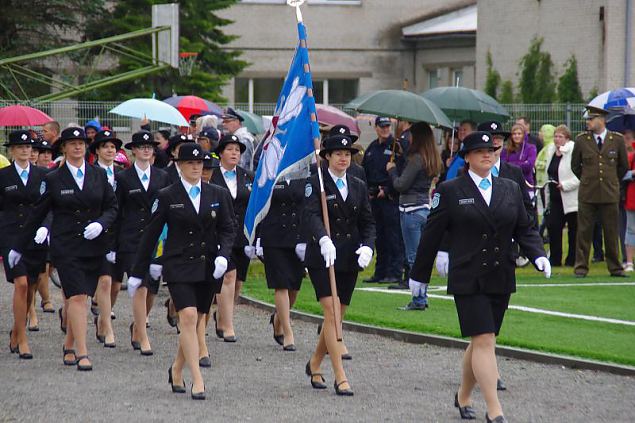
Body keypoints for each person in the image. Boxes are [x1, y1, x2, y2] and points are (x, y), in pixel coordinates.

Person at [409, 131, 550, 423]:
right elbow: (431, 235)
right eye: (480, 150)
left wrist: (538, 254)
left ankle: (462, 394)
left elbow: (524, 227)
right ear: (468, 157)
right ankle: (494, 408)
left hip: (500, 274)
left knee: (481, 341)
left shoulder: (509, 188)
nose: (488, 154)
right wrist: (419, 275)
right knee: (484, 339)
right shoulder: (450, 190)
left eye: (492, 149)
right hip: (468, 276)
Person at [127, 142, 236, 400]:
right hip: (178, 263)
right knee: (187, 317)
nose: (197, 167)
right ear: (179, 165)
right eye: (191, 163)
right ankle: (197, 379)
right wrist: (137, 271)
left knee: (197, 319)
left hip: (208, 265)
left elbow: (228, 229)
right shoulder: (167, 195)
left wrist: (223, 255)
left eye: (200, 163)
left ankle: (177, 368)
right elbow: (150, 234)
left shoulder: (217, 194)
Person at [10, 127, 118, 371]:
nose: (77, 147)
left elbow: (112, 207)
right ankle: (82, 351)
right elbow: (38, 212)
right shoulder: (53, 179)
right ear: (64, 148)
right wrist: (18, 245)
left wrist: (101, 225)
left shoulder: (98, 175)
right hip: (67, 246)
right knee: (77, 296)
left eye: (81, 142)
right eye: (72, 143)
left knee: (83, 296)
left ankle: (69, 344)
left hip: (94, 245)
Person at [303, 133, 375, 396]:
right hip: (323, 256)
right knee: (332, 313)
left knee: (337, 315)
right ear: (327, 157)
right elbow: (310, 215)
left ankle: (314, 363)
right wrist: (323, 239)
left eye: (347, 154)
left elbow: (368, 221)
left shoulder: (357, 184)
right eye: (338, 154)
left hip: (348, 257)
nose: (344, 158)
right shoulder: (316, 184)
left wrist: (368, 245)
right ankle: (340, 375)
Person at [112, 130, 169, 355]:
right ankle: (143, 336)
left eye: (149, 147)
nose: (146, 150)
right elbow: (116, 212)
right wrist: (112, 246)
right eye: (141, 146)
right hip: (131, 239)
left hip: (156, 240)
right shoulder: (123, 178)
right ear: (133, 150)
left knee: (151, 288)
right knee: (140, 285)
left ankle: (137, 326)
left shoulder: (162, 177)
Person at [0, 130, 50, 359]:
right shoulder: (3, 176)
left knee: (30, 287)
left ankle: (16, 330)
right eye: (19, 147)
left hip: (35, 238)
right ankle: (22, 338)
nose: (24, 150)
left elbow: (51, 205)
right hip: (11, 237)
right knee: (20, 283)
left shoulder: (42, 175)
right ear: (11, 150)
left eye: (28, 147)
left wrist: (46, 227)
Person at [386, 122, 442, 301]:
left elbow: (401, 185)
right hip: (425, 207)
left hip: (411, 210)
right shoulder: (431, 157)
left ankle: (419, 299)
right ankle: (420, 297)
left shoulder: (417, 158)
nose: (408, 138)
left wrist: (392, 171)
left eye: (410, 135)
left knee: (413, 258)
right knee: (420, 256)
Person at [571, 106, 629, 277]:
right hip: (588, 193)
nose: (588, 122)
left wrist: (612, 181)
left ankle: (615, 267)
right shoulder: (582, 140)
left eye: (591, 119)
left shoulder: (616, 140)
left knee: (611, 232)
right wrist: (589, 180)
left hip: (609, 193)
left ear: (602, 120)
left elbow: (623, 166)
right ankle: (581, 268)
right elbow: (575, 166)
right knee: (584, 232)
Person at [256, 167, 308, 351]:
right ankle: (288, 332)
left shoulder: (307, 173)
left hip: (298, 237)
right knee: (281, 284)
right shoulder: (270, 174)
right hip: (274, 236)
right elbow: (260, 206)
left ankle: (278, 318)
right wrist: (257, 238)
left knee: (294, 286)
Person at [210, 134, 253, 342]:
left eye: (237, 150)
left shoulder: (247, 176)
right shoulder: (211, 175)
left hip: (242, 237)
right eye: (230, 149)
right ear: (220, 153)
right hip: (220, 234)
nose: (235, 153)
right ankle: (228, 325)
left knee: (237, 283)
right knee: (228, 276)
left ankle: (222, 314)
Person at [89, 130, 123, 347]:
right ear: (97, 151)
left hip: (119, 233)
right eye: (105, 146)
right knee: (104, 280)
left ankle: (103, 314)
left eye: (113, 147)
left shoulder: (122, 174)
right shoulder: (91, 173)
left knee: (116, 285)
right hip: (97, 231)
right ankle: (106, 326)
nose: (110, 150)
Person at [361, 116, 404, 284]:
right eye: (382, 126)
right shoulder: (372, 148)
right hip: (374, 199)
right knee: (378, 236)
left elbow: (400, 172)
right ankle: (380, 272)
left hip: (390, 198)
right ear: (376, 127)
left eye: (387, 126)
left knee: (393, 237)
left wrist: (386, 190)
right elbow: (365, 172)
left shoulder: (396, 147)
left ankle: (394, 272)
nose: (385, 129)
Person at [543, 125, 579, 267]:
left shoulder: (573, 151)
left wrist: (565, 185)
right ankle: (555, 259)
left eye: (560, 137)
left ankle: (572, 260)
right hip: (554, 197)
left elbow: (580, 175)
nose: (557, 139)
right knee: (554, 228)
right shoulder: (551, 150)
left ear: (567, 138)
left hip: (571, 198)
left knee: (573, 231)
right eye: (556, 136)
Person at [501, 123, 537, 195]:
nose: (516, 136)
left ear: (524, 135)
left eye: (519, 134)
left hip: (527, 185)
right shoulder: (505, 150)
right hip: (510, 186)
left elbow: (529, 166)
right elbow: (503, 166)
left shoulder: (531, 148)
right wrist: (522, 163)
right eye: (514, 134)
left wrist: (510, 164)